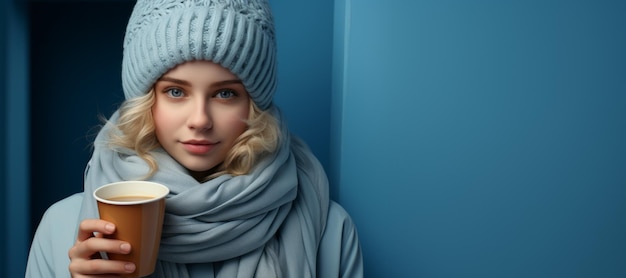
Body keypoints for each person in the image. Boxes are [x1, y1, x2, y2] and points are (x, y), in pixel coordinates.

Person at [25, 0, 363, 277]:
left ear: (255, 104)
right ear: (146, 102)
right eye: (175, 91)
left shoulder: (328, 231)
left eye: (226, 94)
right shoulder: (63, 228)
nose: (200, 120)